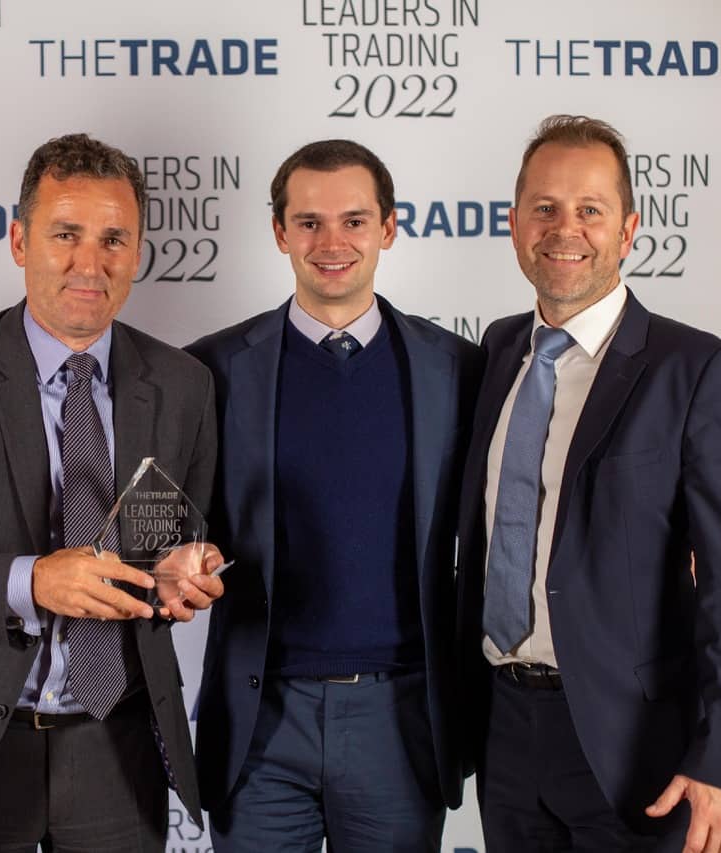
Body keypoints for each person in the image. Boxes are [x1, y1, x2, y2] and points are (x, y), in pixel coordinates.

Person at [0, 132, 224, 852]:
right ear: (19, 241)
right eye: (65, 234)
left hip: (118, 747)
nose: (91, 262)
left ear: (138, 252)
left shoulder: (184, 385)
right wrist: (31, 582)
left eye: (114, 239)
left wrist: (184, 574)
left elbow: (175, 543)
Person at [456, 114, 721, 853]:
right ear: (514, 225)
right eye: (544, 207)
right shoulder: (498, 351)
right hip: (505, 733)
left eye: (590, 210)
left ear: (629, 230)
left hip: (637, 750)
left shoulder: (696, 370)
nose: (564, 229)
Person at [186, 139, 483, 852]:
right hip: (260, 720)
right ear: (279, 231)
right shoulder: (212, 369)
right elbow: (171, 524)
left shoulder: (458, 369)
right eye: (309, 222)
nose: (331, 243)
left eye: (354, 221)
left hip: (400, 719)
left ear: (388, 227)